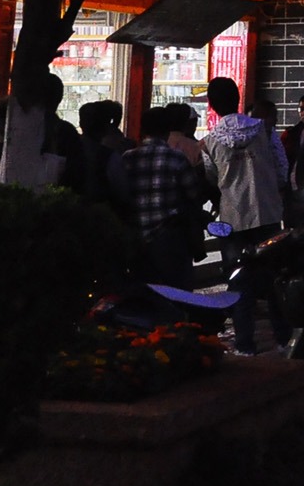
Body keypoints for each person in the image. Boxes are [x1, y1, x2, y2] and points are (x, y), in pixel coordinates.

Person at [200, 77, 291, 355]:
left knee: (239, 282)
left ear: (211, 105)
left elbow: (212, 180)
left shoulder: (210, 142)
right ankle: (284, 337)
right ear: (238, 97)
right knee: (276, 277)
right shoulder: (264, 130)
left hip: (232, 219)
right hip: (268, 214)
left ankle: (244, 343)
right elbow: (281, 169)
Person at [116, 104, 208, 289]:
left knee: (144, 291)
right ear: (167, 131)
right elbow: (193, 194)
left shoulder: (127, 158)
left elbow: (120, 195)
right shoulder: (175, 158)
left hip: (136, 237)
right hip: (170, 236)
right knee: (177, 292)